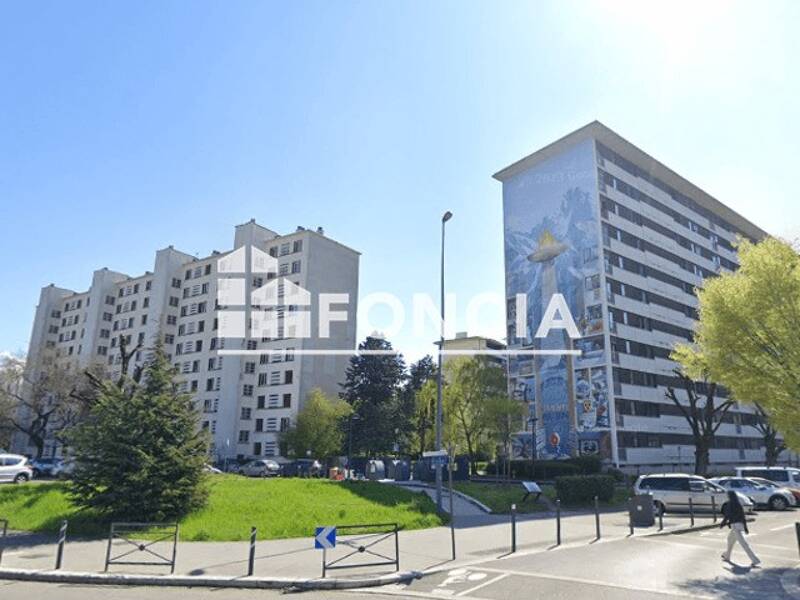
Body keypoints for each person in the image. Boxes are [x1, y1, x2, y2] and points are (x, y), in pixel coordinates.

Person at [720, 490, 760, 566]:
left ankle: (755, 560)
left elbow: (727, 516)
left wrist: (722, 524)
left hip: (735, 526)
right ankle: (727, 555)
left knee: (743, 544)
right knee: (730, 539)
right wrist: (745, 527)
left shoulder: (729, 504)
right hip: (739, 524)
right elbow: (743, 516)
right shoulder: (738, 504)